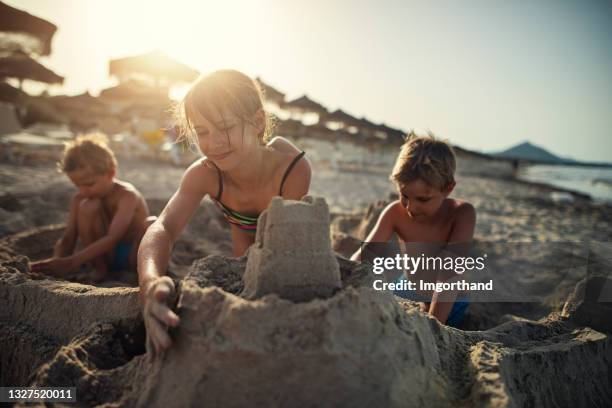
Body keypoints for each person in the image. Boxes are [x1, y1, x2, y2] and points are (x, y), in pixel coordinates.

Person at [139, 69, 311, 356]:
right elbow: (164, 228)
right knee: (148, 225)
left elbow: (286, 249)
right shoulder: (205, 174)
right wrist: (150, 283)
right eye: (202, 132)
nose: (213, 142)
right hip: (242, 241)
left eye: (225, 127)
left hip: (284, 242)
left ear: (257, 122)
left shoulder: (290, 168)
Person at [351, 133, 476, 327]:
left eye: (423, 199)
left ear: (448, 188)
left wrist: (433, 325)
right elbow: (363, 256)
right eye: (404, 195)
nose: (410, 207)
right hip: (407, 287)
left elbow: (449, 275)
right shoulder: (394, 212)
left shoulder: (462, 214)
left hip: (450, 300)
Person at [31, 133, 154, 282]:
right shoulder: (80, 199)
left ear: (111, 173)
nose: (83, 191)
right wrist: (56, 261)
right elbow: (69, 237)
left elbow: (113, 237)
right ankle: (100, 268)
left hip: (131, 255)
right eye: (77, 185)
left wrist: (71, 262)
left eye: (89, 184)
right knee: (88, 207)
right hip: (102, 256)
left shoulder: (127, 195)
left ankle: (140, 273)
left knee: (151, 223)